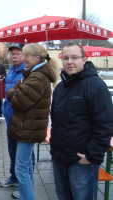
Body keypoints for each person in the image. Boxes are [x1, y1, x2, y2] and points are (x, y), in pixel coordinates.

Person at [50, 43, 113, 200]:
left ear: (84, 59)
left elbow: (105, 125)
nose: (69, 62)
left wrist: (91, 156)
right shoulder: (60, 87)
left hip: (81, 160)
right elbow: (56, 119)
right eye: (65, 58)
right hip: (59, 157)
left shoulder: (96, 86)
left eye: (74, 57)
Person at [7, 43, 57, 199]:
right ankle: (28, 195)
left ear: (37, 58)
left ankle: (27, 197)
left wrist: (15, 90)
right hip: (28, 126)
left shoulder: (37, 77)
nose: (24, 59)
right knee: (26, 165)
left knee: (21, 168)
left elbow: (17, 101)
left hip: (27, 127)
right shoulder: (35, 74)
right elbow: (18, 93)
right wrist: (18, 88)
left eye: (27, 56)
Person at [0, 43, 25, 197]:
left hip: (21, 121)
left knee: (24, 156)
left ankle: (25, 185)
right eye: (13, 53)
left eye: (18, 53)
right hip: (10, 119)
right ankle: (14, 177)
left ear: (25, 55)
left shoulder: (27, 72)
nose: (14, 56)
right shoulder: (11, 72)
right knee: (12, 151)